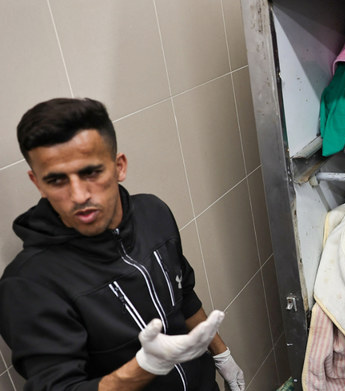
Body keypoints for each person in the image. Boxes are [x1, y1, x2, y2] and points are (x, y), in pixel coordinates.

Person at [0, 98, 245, 390]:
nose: (78, 195)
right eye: (57, 180)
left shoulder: (153, 213)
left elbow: (185, 295)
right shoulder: (29, 282)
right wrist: (146, 367)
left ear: (119, 166)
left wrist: (222, 355)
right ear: (38, 183)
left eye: (91, 172)